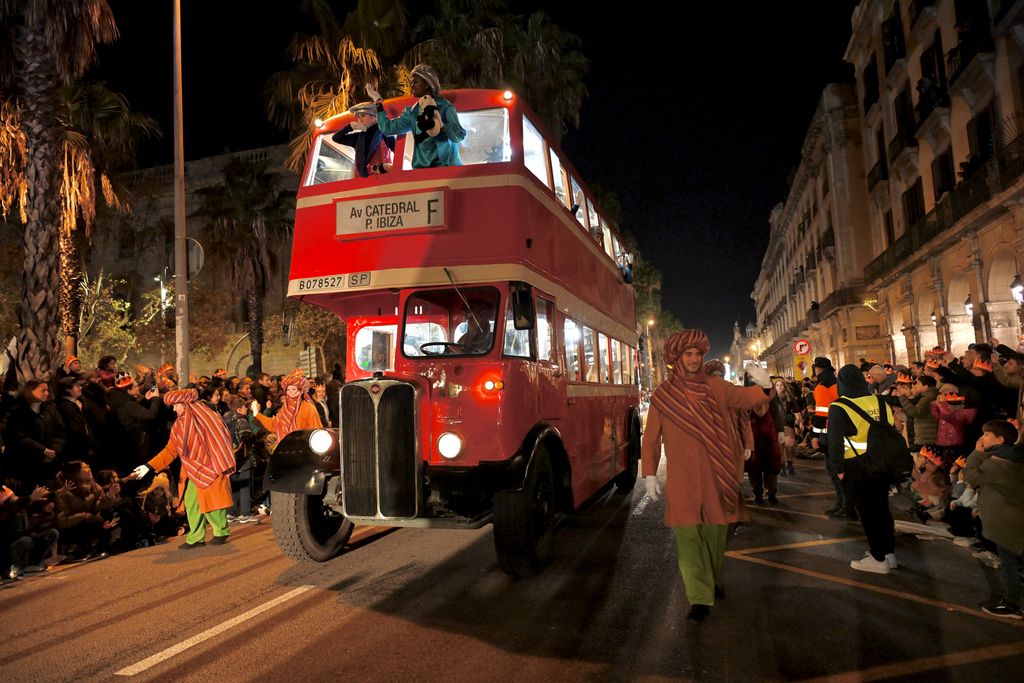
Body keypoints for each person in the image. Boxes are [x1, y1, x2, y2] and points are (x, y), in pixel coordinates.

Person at [640, 329, 775, 621]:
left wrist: (764, 386)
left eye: (698, 354)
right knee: (688, 536)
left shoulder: (717, 387)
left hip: (718, 473)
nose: (693, 358)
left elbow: (745, 398)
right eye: (688, 354)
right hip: (683, 479)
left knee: (715, 535)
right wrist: (649, 473)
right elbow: (651, 438)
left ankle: (711, 580)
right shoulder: (663, 394)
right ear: (676, 358)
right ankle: (699, 597)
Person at [127, 389, 236, 549]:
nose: (174, 409)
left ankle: (221, 531)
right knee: (191, 501)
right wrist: (149, 466)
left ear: (187, 404)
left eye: (177, 405)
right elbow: (171, 450)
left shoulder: (208, 418)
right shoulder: (178, 425)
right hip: (192, 469)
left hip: (212, 467)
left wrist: (216, 462)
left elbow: (220, 441)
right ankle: (196, 537)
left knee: (214, 501)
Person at [828, 364, 898, 574]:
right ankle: (888, 553)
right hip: (883, 462)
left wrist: (838, 468)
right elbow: (891, 428)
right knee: (883, 509)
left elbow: (835, 442)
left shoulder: (840, 406)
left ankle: (877, 559)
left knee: (868, 513)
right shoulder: (879, 400)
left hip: (857, 466)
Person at [964, 420, 1024, 619]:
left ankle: (1011, 604)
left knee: (1009, 564)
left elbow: (972, 477)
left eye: (987, 435)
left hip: (1006, 521)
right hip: (1012, 517)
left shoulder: (999, 461)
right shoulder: (1012, 457)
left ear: (1000, 439)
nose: (982, 438)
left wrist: (976, 453)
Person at [367, 64, 466, 169]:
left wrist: (441, 126)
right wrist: (378, 102)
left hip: (447, 170)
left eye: (415, 82)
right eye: (411, 83)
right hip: (421, 174)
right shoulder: (412, 112)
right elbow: (388, 129)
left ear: (427, 84)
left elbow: (459, 135)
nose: (411, 86)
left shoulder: (445, 106)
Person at [252, 370, 323, 443]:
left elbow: (316, 430)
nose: (290, 392)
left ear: (301, 391)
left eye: (293, 389)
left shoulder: (308, 407)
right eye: (288, 390)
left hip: (304, 446)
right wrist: (256, 413)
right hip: (287, 447)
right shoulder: (285, 408)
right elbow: (274, 424)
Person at [332, 102, 396, 177]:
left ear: (375, 117)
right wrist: (350, 127)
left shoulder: (385, 133)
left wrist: (390, 168)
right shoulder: (358, 137)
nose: (360, 120)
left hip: (382, 179)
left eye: (363, 115)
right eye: (358, 117)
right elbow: (336, 138)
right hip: (360, 182)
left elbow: (397, 150)